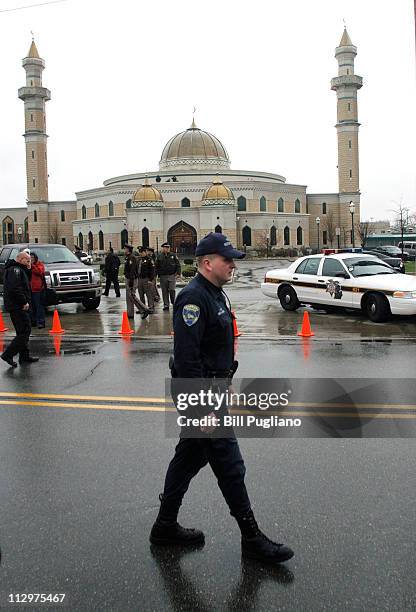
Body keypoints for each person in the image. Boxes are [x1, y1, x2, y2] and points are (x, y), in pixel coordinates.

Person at [150, 232, 294, 565]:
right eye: (227, 259)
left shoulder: (216, 294)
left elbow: (213, 348)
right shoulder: (192, 299)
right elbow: (187, 359)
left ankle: (164, 526)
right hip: (200, 395)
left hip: (212, 389)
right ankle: (252, 538)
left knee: (189, 458)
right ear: (206, 263)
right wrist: (202, 408)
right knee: (230, 465)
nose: (232, 265)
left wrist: (224, 380)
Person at [1, 251, 39, 367]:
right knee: (25, 331)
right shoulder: (15, 270)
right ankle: (8, 354)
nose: (29, 263)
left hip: (18, 306)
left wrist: (28, 268)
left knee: (22, 331)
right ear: (20, 259)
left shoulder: (19, 269)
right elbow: (15, 289)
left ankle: (24, 356)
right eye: (27, 261)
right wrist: (24, 302)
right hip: (18, 306)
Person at [123, 244, 150, 320]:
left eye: (125, 249)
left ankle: (144, 309)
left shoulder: (132, 258)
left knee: (132, 295)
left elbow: (132, 270)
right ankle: (130, 313)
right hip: (128, 278)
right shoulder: (128, 258)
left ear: (128, 250)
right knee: (129, 297)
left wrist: (131, 281)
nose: (124, 250)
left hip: (131, 279)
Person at [155, 243, 181, 311]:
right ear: (163, 248)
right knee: (164, 291)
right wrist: (155, 275)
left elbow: (178, 264)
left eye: (168, 248)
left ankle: (173, 302)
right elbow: (156, 267)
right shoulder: (159, 256)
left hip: (171, 275)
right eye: (165, 248)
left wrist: (178, 273)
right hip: (163, 276)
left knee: (172, 290)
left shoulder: (173, 255)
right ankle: (166, 304)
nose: (166, 249)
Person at [30, 252, 46, 329]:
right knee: (31, 307)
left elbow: (39, 272)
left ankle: (41, 322)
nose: (31, 259)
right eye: (30, 258)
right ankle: (33, 321)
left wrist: (32, 266)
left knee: (39, 306)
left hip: (37, 289)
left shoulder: (39, 265)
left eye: (32, 257)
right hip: (29, 289)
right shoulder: (26, 266)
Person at [137, 247, 155, 313]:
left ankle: (151, 307)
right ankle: (142, 308)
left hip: (146, 278)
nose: (140, 253)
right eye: (140, 252)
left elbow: (152, 270)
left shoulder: (149, 260)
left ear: (145, 252)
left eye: (142, 252)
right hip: (140, 279)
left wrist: (151, 279)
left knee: (149, 294)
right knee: (141, 294)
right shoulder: (139, 259)